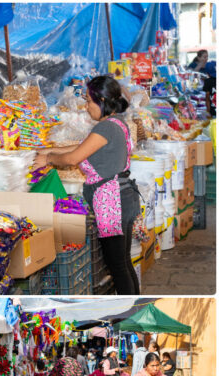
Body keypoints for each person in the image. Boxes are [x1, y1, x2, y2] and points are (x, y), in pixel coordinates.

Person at [34, 76, 140, 294]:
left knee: (118, 266)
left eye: (89, 101)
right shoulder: (117, 123)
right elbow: (80, 149)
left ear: (102, 100)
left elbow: (73, 159)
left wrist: (48, 159)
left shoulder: (106, 128)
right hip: (124, 197)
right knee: (123, 263)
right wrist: (47, 152)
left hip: (113, 203)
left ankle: (130, 310)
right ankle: (134, 304)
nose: (86, 106)